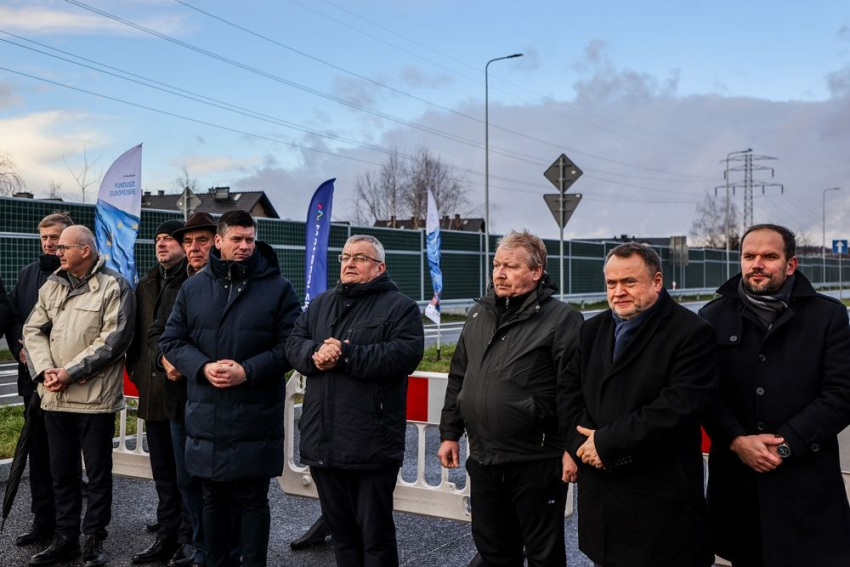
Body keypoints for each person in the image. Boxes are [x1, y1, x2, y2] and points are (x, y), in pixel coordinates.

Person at [700, 224, 850, 567]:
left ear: (791, 264)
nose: (757, 264)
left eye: (769, 256)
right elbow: (704, 394)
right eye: (749, 256)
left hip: (805, 480)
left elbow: (842, 394)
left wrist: (785, 444)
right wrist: (738, 441)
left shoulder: (827, 316)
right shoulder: (712, 317)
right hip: (738, 483)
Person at [559, 242, 716, 567]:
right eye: (611, 283)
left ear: (657, 282)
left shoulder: (691, 332)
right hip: (602, 500)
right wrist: (581, 446)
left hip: (660, 503)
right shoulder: (591, 330)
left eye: (629, 282)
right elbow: (567, 394)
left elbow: (677, 408)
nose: (618, 291)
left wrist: (606, 444)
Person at [160, 210, 301, 567]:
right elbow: (172, 340)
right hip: (207, 411)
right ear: (219, 241)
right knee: (212, 498)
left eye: (250, 239)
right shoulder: (192, 288)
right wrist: (203, 368)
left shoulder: (278, 287)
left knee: (254, 499)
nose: (244, 246)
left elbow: (291, 345)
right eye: (236, 239)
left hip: (256, 413)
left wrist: (247, 371)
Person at [438, 229, 582, 567]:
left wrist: (570, 448)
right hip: (485, 459)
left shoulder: (562, 320)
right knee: (494, 551)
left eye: (511, 267)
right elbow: (459, 376)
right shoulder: (478, 315)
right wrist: (449, 434)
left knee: (543, 554)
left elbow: (573, 390)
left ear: (536, 272)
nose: (500, 274)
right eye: (497, 265)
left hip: (536, 461)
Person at [286, 234, 424, 567]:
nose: (349, 262)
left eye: (360, 258)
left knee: (375, 538)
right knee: (343, 537)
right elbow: (293, 342)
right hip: (324, 443)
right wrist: (315, 354)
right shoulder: (321, 303)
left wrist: (346, 354)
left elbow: (403, 355)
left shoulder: (400, 307)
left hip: (370, 445)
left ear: (380, 267)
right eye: (345, 256)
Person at [23, 225, 136, 567]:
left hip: (93, 399)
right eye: (56, 247)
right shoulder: (53, 284)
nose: (57, 252)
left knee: (98, 475)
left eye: (63, 247)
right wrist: (46, 372)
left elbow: (114, 341)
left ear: (85, 250)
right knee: (62, 472)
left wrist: (69, 373)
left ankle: (93, 540)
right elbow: (32, 329)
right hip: (54, 395)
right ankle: (66, 537)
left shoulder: (115, 286)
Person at [150, 212, 218, 567]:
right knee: (185, 480)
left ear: (218, 241)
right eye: (188, 242)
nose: (193, 248)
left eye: (201, 241)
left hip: (216, 399)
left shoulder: (232, 283)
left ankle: (216, 550)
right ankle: (196, 546)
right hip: (179, 402)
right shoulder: (177, 285)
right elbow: (158, 334)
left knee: (217, 485)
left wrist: (189, 362)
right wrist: (165, 360)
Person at [126, 219, 194, 566]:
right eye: (158, 239)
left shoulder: (192, 282)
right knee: (164, 475)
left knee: (186, 476)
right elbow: (140, 335)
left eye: (169, 239)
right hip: (152, 393)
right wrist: (136, 370)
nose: (162, 244)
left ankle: (187, 538)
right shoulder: (146, 284)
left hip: (181, 394)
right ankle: (166, 537)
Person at [7, 212, 73, 547]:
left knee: (62, 457)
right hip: (30, 379)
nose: (50, 244)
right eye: (45, 238)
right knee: (37, 454)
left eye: (56, 238)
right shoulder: (26, 273)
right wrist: (19, 347)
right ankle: (41, 522)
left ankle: (66, 528)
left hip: (64, 380)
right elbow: (17, 317)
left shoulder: (77, 275)